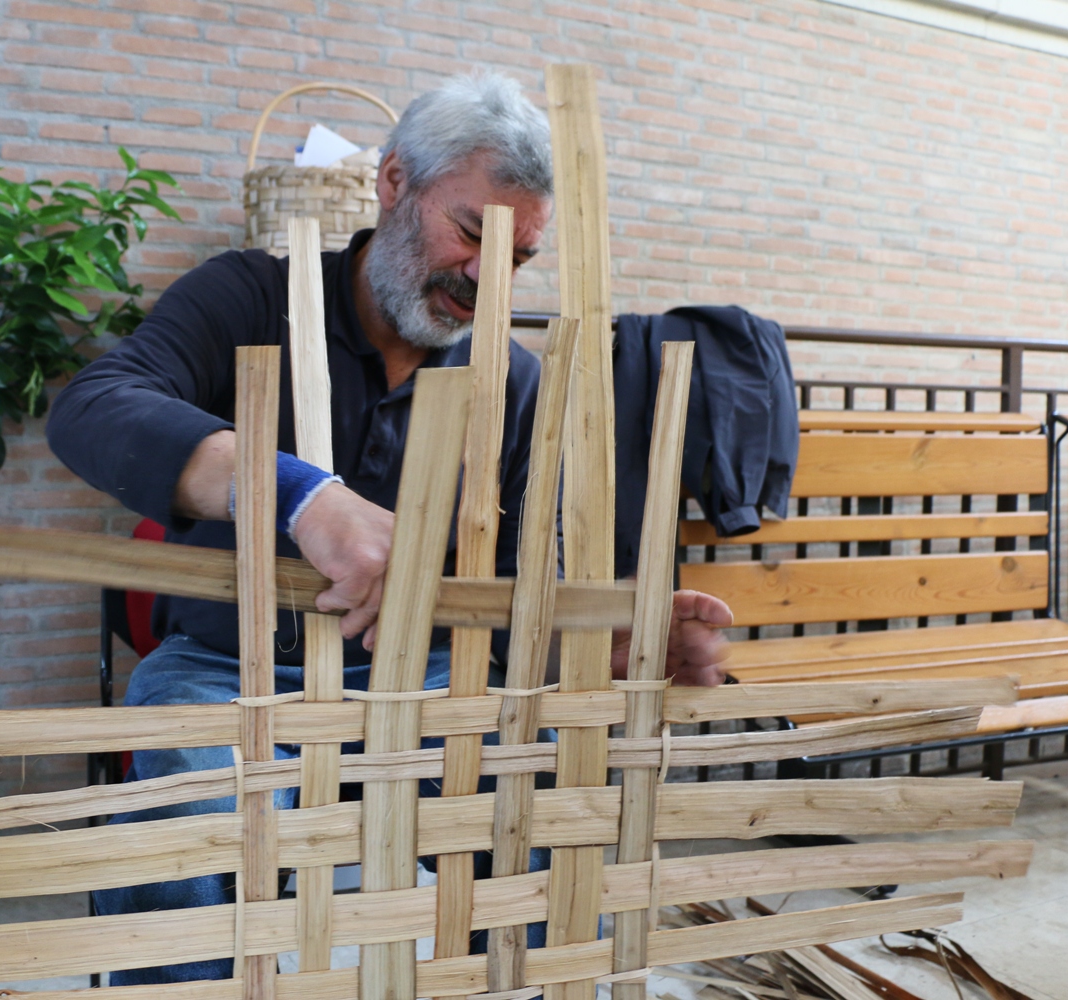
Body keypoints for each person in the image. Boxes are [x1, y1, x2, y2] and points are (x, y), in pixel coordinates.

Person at [47, 73, 730, 986]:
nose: (487, 276)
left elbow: (516, 595)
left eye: (519, 257)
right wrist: (299, 495)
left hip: (436, 674)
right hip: (223, 666)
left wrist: (607, 642)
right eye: (473, 232)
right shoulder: (247, 297)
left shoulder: (512, 382)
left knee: (549, 786)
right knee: (189, 786)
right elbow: (92, 407)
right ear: (395, 181)